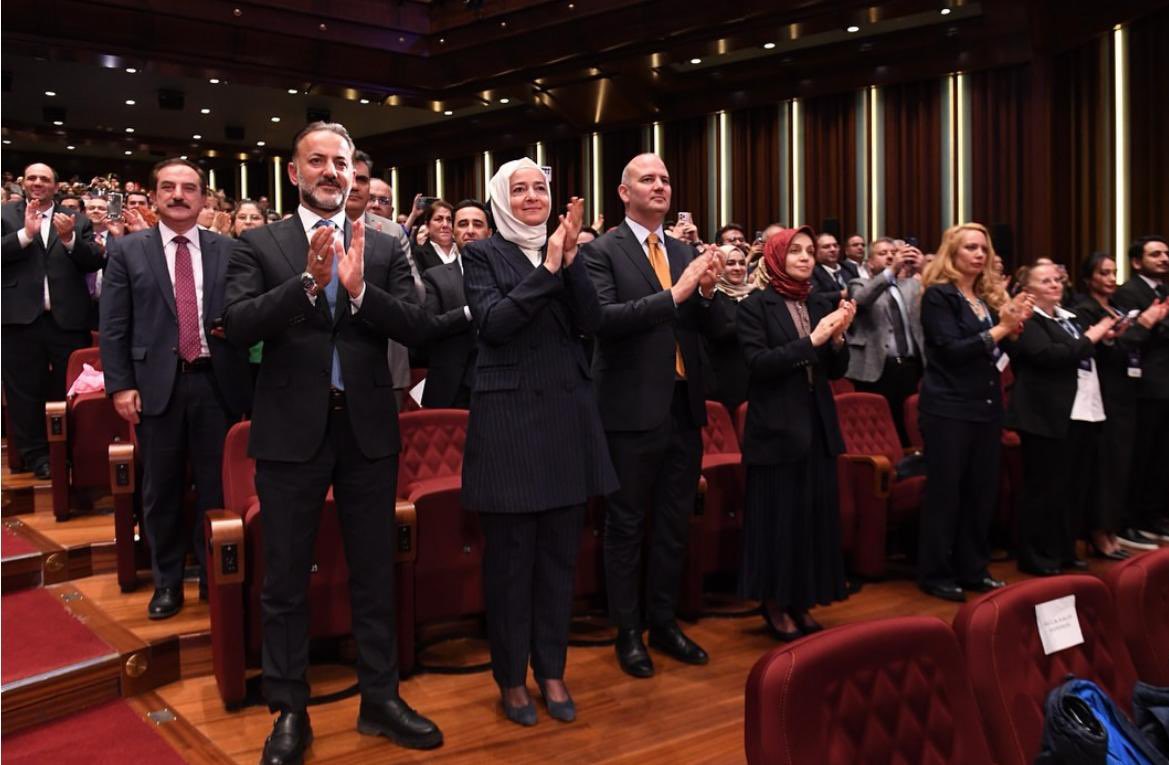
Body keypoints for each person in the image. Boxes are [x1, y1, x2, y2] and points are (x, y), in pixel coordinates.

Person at [224, 122, 455, 762]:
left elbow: (418, 324)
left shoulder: (381, 244)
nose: (331, 171)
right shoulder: (257, 243)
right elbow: (237, 326)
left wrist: (356, 290)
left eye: (341, 162)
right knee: (286, 581)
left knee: (375, 573)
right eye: (317, 161)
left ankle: (380, 700)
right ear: (293, 172)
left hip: (368, 432)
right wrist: (305, 283)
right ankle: (289, 712)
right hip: (289, 433)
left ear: (354, 173)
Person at [461, 160, 617, 726]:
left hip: (567, 420)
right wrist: (549, 264)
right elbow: (495, 323)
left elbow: (594, 322)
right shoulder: (482, 253)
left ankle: (551, 669)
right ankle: (511, 679)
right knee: (510, 564)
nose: (532, 197)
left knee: (559, 560)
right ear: (502, 198)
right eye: (519, 189)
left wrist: (570, 261)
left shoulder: (574, 252)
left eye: (540, 188)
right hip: (508, 427)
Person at [582, 152, 724, 679]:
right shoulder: (601, 252)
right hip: (629, 410)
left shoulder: (685, 248)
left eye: (666, 178)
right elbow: (604, 320)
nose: (660, 185)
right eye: (648, 178)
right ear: (624, 192)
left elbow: (714, 328)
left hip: (683, 408)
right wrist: (680, 291)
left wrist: (707, 295)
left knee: (672, 524)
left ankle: (663, 621)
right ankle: (627, 631)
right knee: (625, 525)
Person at [100, 158, 252, 618]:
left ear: (203, 197)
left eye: (189, 188)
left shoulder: (228, 249)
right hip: (154, 387)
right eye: (169, 187)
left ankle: (212, 577)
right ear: (154, 196)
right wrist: (120, 385)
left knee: (215, 489)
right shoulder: (129, 251)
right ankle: (166, 581)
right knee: (160, 489)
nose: (179, 195)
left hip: (216, 383)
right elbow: (113, 325)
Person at [737, 227, 855, 639]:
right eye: (796, 252)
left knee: (810, 520)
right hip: (776, 430)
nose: (806, 258)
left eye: (809, 252)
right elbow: (758, 363)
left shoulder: (818, 301)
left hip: (817, 426)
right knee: (778, 522)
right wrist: (816, 339)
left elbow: (836, 370)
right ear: (775, 257)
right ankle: (773, 604)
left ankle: (801, 600)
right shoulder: (755, 305)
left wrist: (837, 340)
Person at [916, 223, 1034, 602]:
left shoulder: (984, 298)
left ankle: (973, 568)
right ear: (952, 253)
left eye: (983, 248)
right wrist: (1002, 328)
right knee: (946, 493)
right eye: (970, 248)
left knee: (982, 492)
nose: (979, 255)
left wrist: (1013, 330)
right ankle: (936, 572)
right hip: (948, 408)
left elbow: (997, 352)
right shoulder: (939, 297)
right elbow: (951, 350)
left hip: (986, 406)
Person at [1003, 263, 1117, 576]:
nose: (1055, 284)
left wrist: (1105, 338)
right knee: (1044, 488)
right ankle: (1037, 555)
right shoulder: (1027, 320)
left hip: (1083, 410)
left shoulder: (1069, 318)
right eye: (1045, 280)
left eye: (1057, 279)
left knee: (1073, 488)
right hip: (1044, 414)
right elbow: (1049, 356)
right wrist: (1093, 335)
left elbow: (1083, 353)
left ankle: (1064, 549)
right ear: (1028, 290)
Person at [1, 162, 102, 478]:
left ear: (55, 186)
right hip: (20, 320)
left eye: (44, 179)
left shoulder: (77, 219)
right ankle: (36, 455)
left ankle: (70, 452)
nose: (37, 183)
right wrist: (25, 236)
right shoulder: (5, 216)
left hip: (67, 320)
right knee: (23, 391)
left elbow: (93, 260)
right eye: (31, 178)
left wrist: (70, 239)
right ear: (23, 182)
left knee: (69, 389)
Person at [1074, 252, 1169, 555]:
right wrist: (1143, 324)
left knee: (1123, 465)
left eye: (1114, 272)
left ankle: (1112, 527)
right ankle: (1101, 531)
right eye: (1104, 273)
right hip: (1102, 395)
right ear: (1089, 278)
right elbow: (1107, 351)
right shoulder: (1084, 310)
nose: (1111, 279)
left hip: (1126, 391)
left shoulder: (1115, 307)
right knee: (1108, 467)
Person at [1112, 236, 1169, 544]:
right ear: (1136, 262)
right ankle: (1129, 519)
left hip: (1166, 386)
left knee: (1162, 459)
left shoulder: (1165, 291)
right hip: (1143, 387)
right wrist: (1155, 323)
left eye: (1166, 254)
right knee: (1140, 457)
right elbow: (1136, 334)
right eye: (1155, 254)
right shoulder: (1128, 292)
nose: (1163, 258)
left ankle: (1153, 516)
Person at [845, 241, 924, 445]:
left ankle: (908, 467)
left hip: (909, 366)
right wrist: (891, 270)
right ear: (869, 263)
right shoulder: (858, 284)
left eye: (893, 252)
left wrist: (923, 268)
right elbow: (862, 299)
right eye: (883, 253)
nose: (890, 256)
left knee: (909, 424)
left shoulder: (912, 285)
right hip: (876, 369)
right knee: (879, 429)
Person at [421, 200, 489, 409]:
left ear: (489, 232)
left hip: (498, 384)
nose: (470, 231)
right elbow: (427, 327)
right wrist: (469, 312)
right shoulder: (435, 277)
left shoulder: (506, 273)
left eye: (477, 224)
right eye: (462, 224)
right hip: (451, 387)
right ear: (453, 232)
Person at [706, 244, 757, 412]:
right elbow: (718, 331)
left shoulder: (755, 294)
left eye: (742, 263)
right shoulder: (711, 296)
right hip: (726, 381)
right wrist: (752, 321)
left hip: (757, 379)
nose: (738, 268)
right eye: (730, 263)